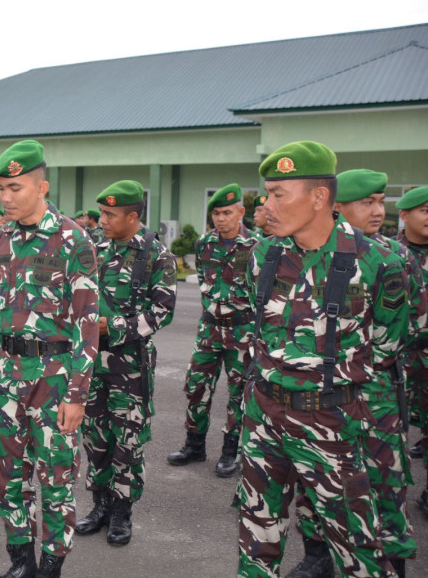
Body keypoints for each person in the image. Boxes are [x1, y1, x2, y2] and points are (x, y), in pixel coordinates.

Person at [237, 141, 406, 577]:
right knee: (256, 537)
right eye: (267, 193)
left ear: (318, 198)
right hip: (264, 414)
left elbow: (389, 343)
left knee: (357, 547)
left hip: (331, 422)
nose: (266, 204)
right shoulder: (263, 255)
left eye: (278, 194)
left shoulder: (377, 261)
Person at [284, 168, 423, 576]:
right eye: (367, 202)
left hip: (374, 397)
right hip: (320, 397)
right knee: (315, 479)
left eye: (381, 201)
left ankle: (391, 561)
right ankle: (318, 554)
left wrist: (352, 363)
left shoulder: (395, 256)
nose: (379, 210)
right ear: (335, 206)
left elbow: (410, 327)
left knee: (382, 482)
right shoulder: (304, 253)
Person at [0, 140, 99, 578]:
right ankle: (21, 560)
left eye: (15, 188)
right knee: (6, 475)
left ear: (41, 186)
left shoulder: (73, 240)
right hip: (8, 374)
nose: (5, 198)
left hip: (55, 377)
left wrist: (78, 395)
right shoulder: (1, 239)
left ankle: (51, 564)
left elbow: (88, 323)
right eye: (1, 190)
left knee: (56, 478)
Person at [76, 180, 176, 546]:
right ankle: (99, 505)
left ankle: (122, 511)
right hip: (91, 364)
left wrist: (113, 325)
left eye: (110, 214)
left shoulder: (156, 256)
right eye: (101, 213)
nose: (101, 220)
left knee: (127, 441)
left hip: (129, 365)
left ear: (133, 216)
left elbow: (162, 312)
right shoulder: (91, 249)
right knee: (95, 438)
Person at [167, 183, 257, 477]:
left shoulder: (257, 246)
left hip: (242, 332)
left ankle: (230, 452)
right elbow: (206, 281)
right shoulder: (204, 244)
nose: (221, 218)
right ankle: (194, 445)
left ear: (241, 212)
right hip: (209, 330)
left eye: (227, 212)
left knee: (237, 394)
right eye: (216, 213)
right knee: (196, 387)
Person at [395, 185, 428, 515]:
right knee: (394, 425)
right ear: (404, 215)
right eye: (425, 210)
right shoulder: (390, 254)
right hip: (401, 356)